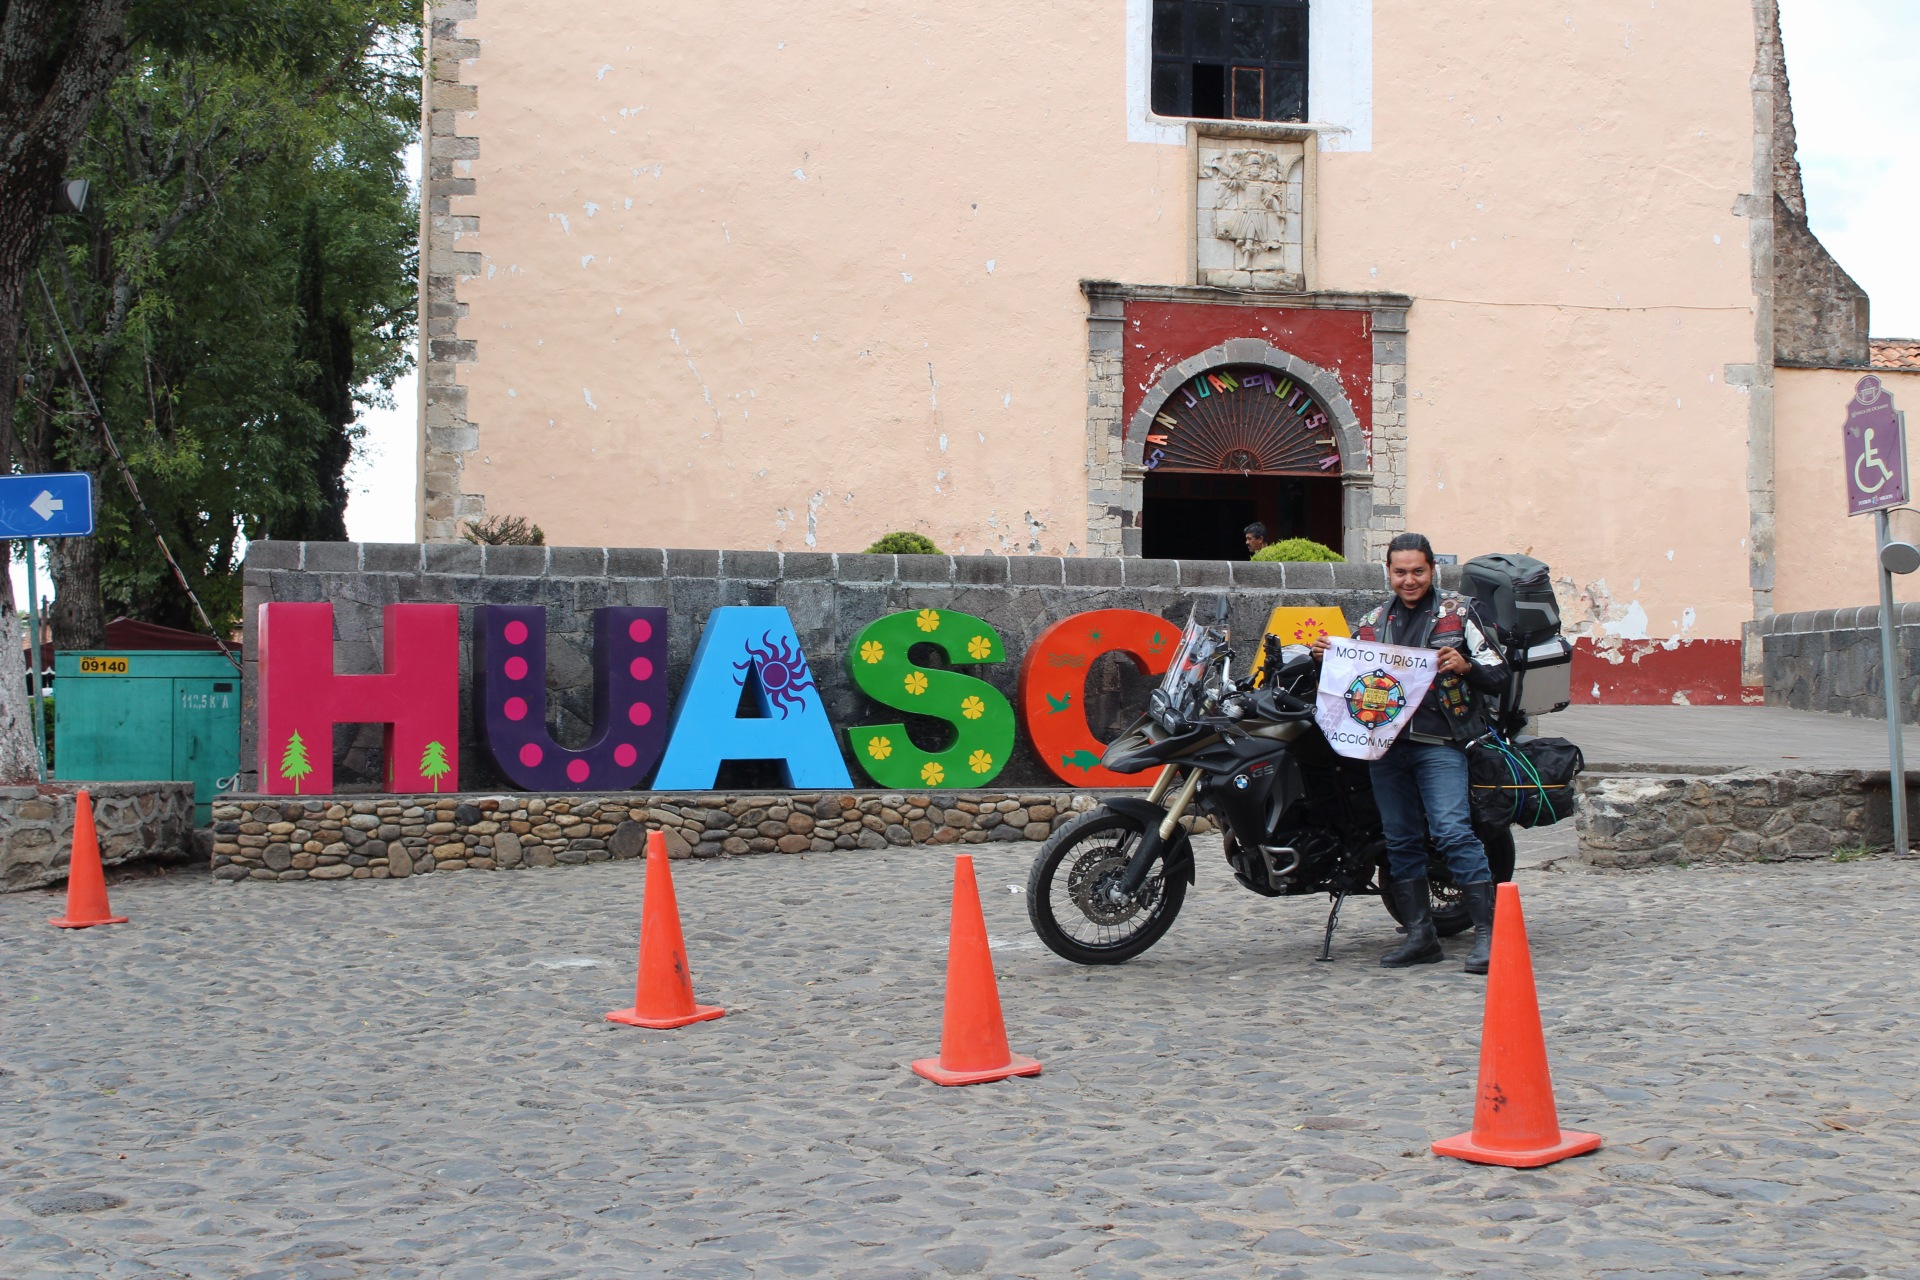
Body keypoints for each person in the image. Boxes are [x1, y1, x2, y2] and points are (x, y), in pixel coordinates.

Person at [1311, 532, 1506, 974]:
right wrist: (1323, 655)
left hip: (1441, 744)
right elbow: (1350, 677)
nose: (1409, 580)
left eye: (1418, 571)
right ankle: (1421, 935)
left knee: (1452, 832)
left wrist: (1467, 666)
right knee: (1399, 839)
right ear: (1388, 572)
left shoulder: (1461, 613)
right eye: (1400, 572)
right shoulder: (1371, 622)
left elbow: (1499, 673)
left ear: (1433, 570)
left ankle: (1489, 934)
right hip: (1385, 748)